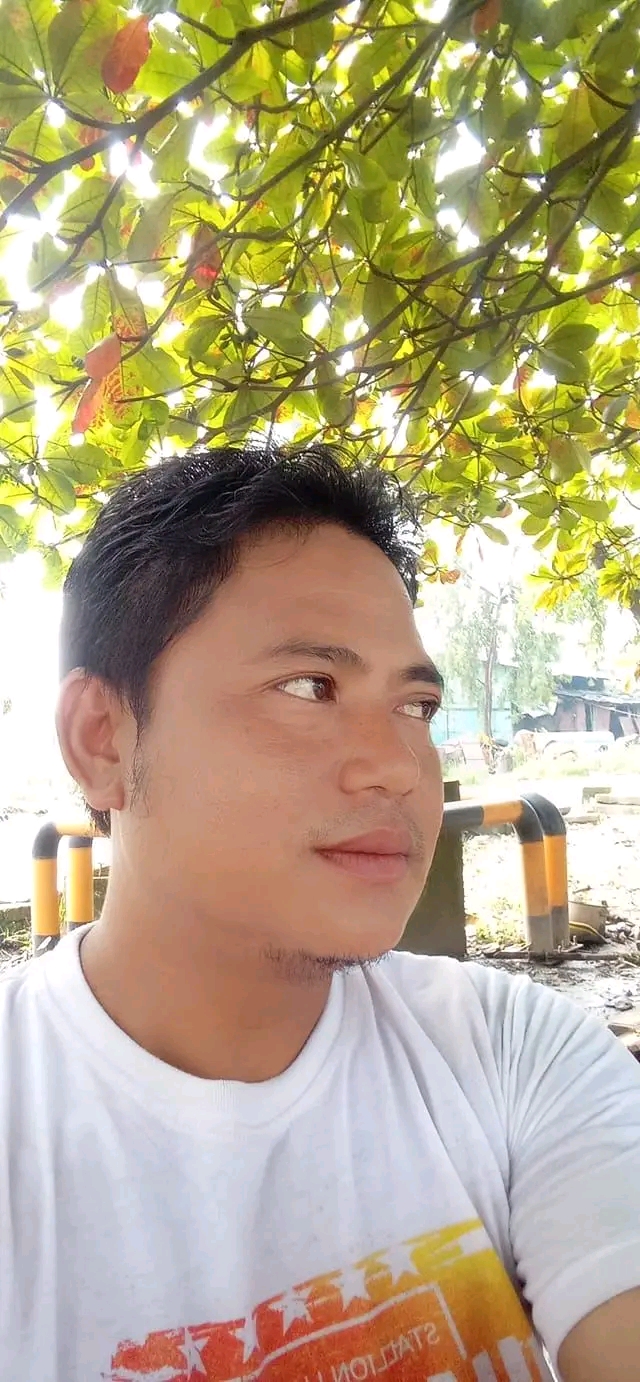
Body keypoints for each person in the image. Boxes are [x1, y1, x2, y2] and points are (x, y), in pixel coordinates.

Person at [1, 445, 639, 1382]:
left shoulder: (514, 1054)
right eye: (309, 687)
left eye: (416, 704)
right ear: (102, 741)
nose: (398, 768)